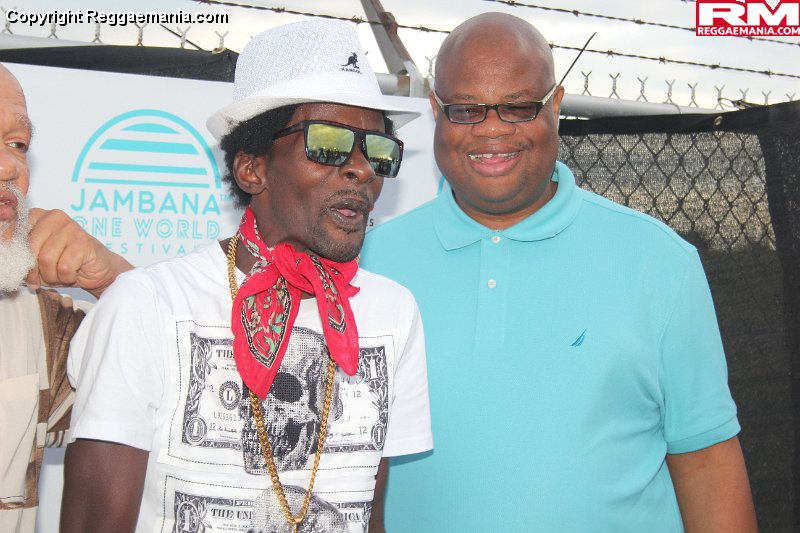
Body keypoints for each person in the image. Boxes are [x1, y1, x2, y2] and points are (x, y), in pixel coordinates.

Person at [361, 12, 758, 532]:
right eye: (467, 109)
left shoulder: (660, 263)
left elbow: (706, 461)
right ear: (437, 112)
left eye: (519, 106)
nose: (492, 129)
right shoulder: (367, 264)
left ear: (555, 106)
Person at [62, 19, 432, 533]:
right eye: (328, 144)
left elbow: (369, 515)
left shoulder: (392, 311)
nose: (362, 169)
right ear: (251, 169)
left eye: (379, 151)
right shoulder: (148, 305)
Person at [0, 63, 132, 532]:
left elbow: (188, 384)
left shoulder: (37, 323)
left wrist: (112, 280)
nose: (9, 167)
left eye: (17, 144)